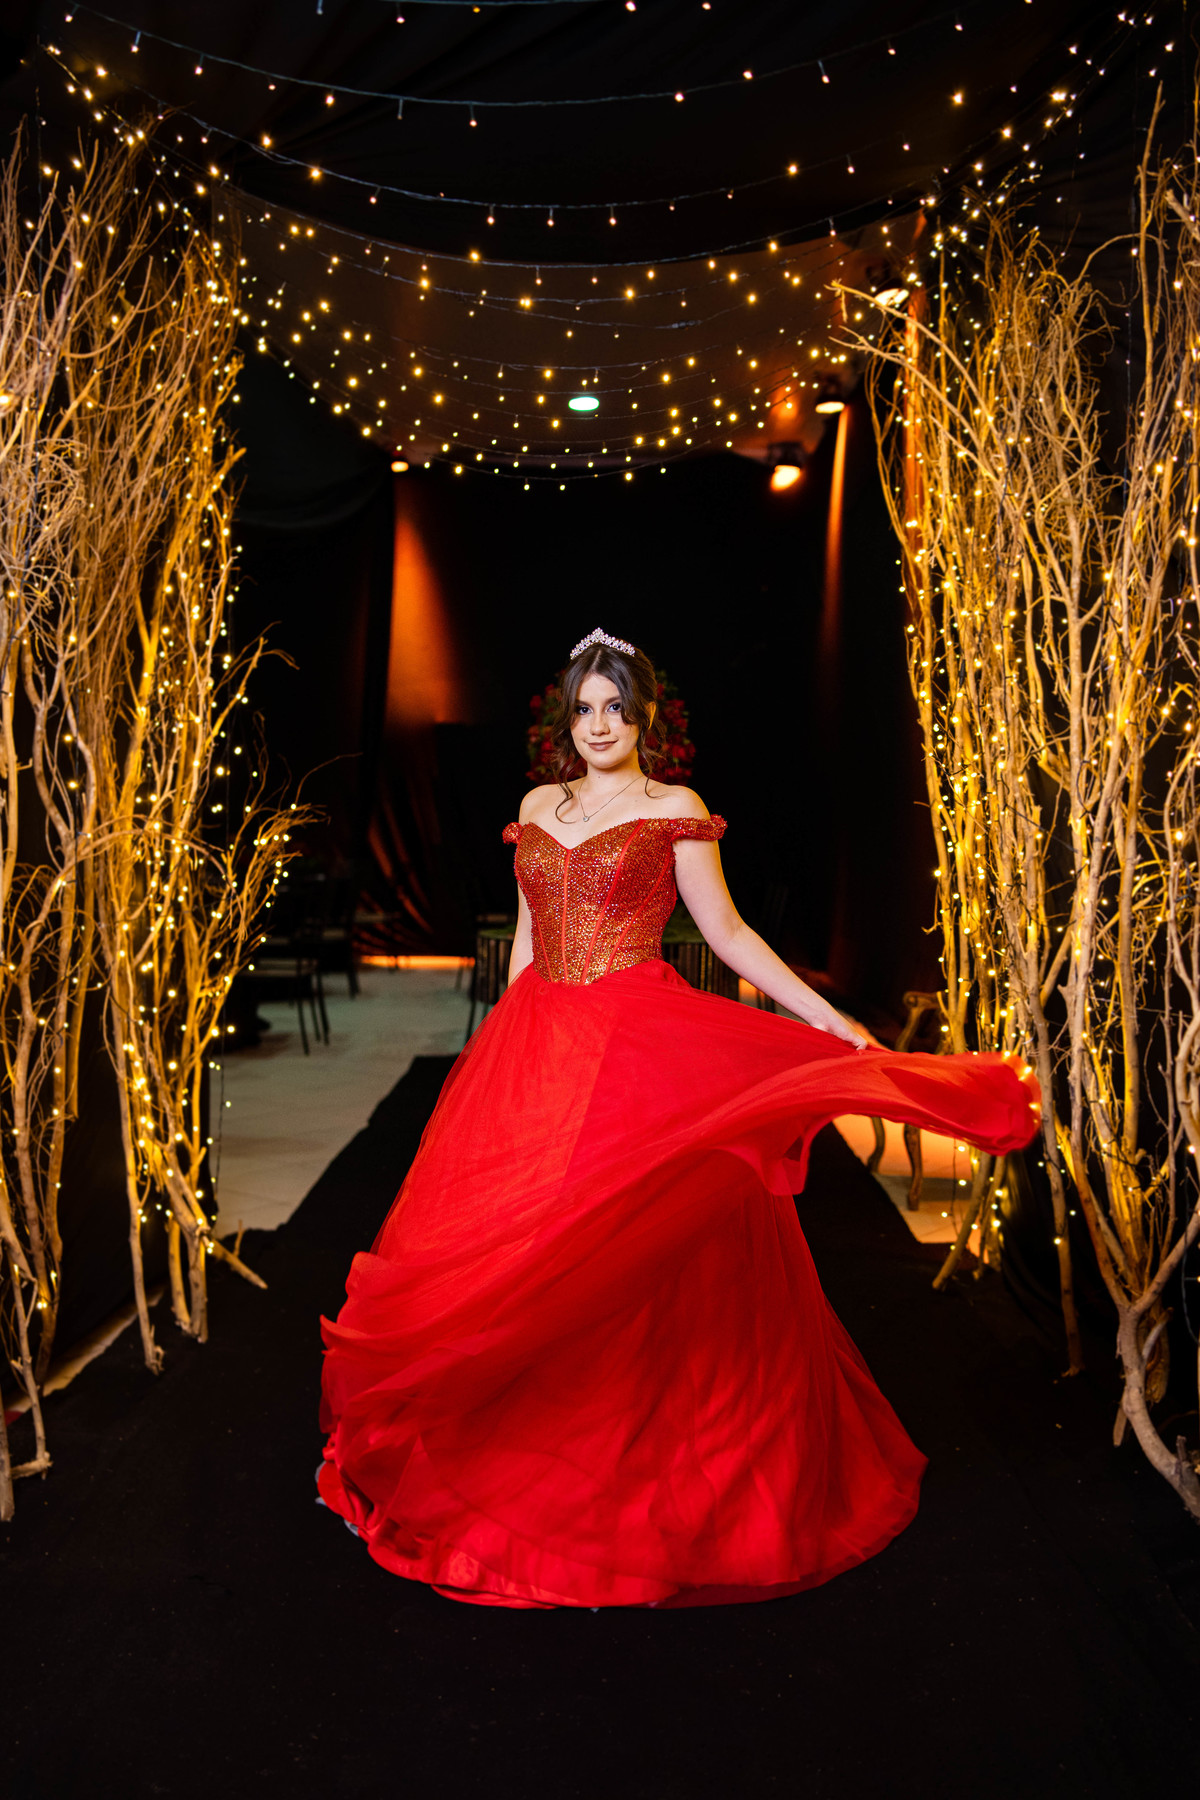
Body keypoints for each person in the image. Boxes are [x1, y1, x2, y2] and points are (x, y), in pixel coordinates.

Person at [318, 629, 1041, 1610]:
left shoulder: (675, 810)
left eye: (617, 708)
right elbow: (527, 948)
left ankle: (625, 1454)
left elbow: (728, 934)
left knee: (625, 1236)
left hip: (635, 1041)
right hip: (537, 1040)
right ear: (565, 718)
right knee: (522, 1246)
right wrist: (493, 1067)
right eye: (585, 708)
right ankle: (511, 1431)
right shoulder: (536, 809)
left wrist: (826, 1018)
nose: (600, 725)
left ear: (643, 716)